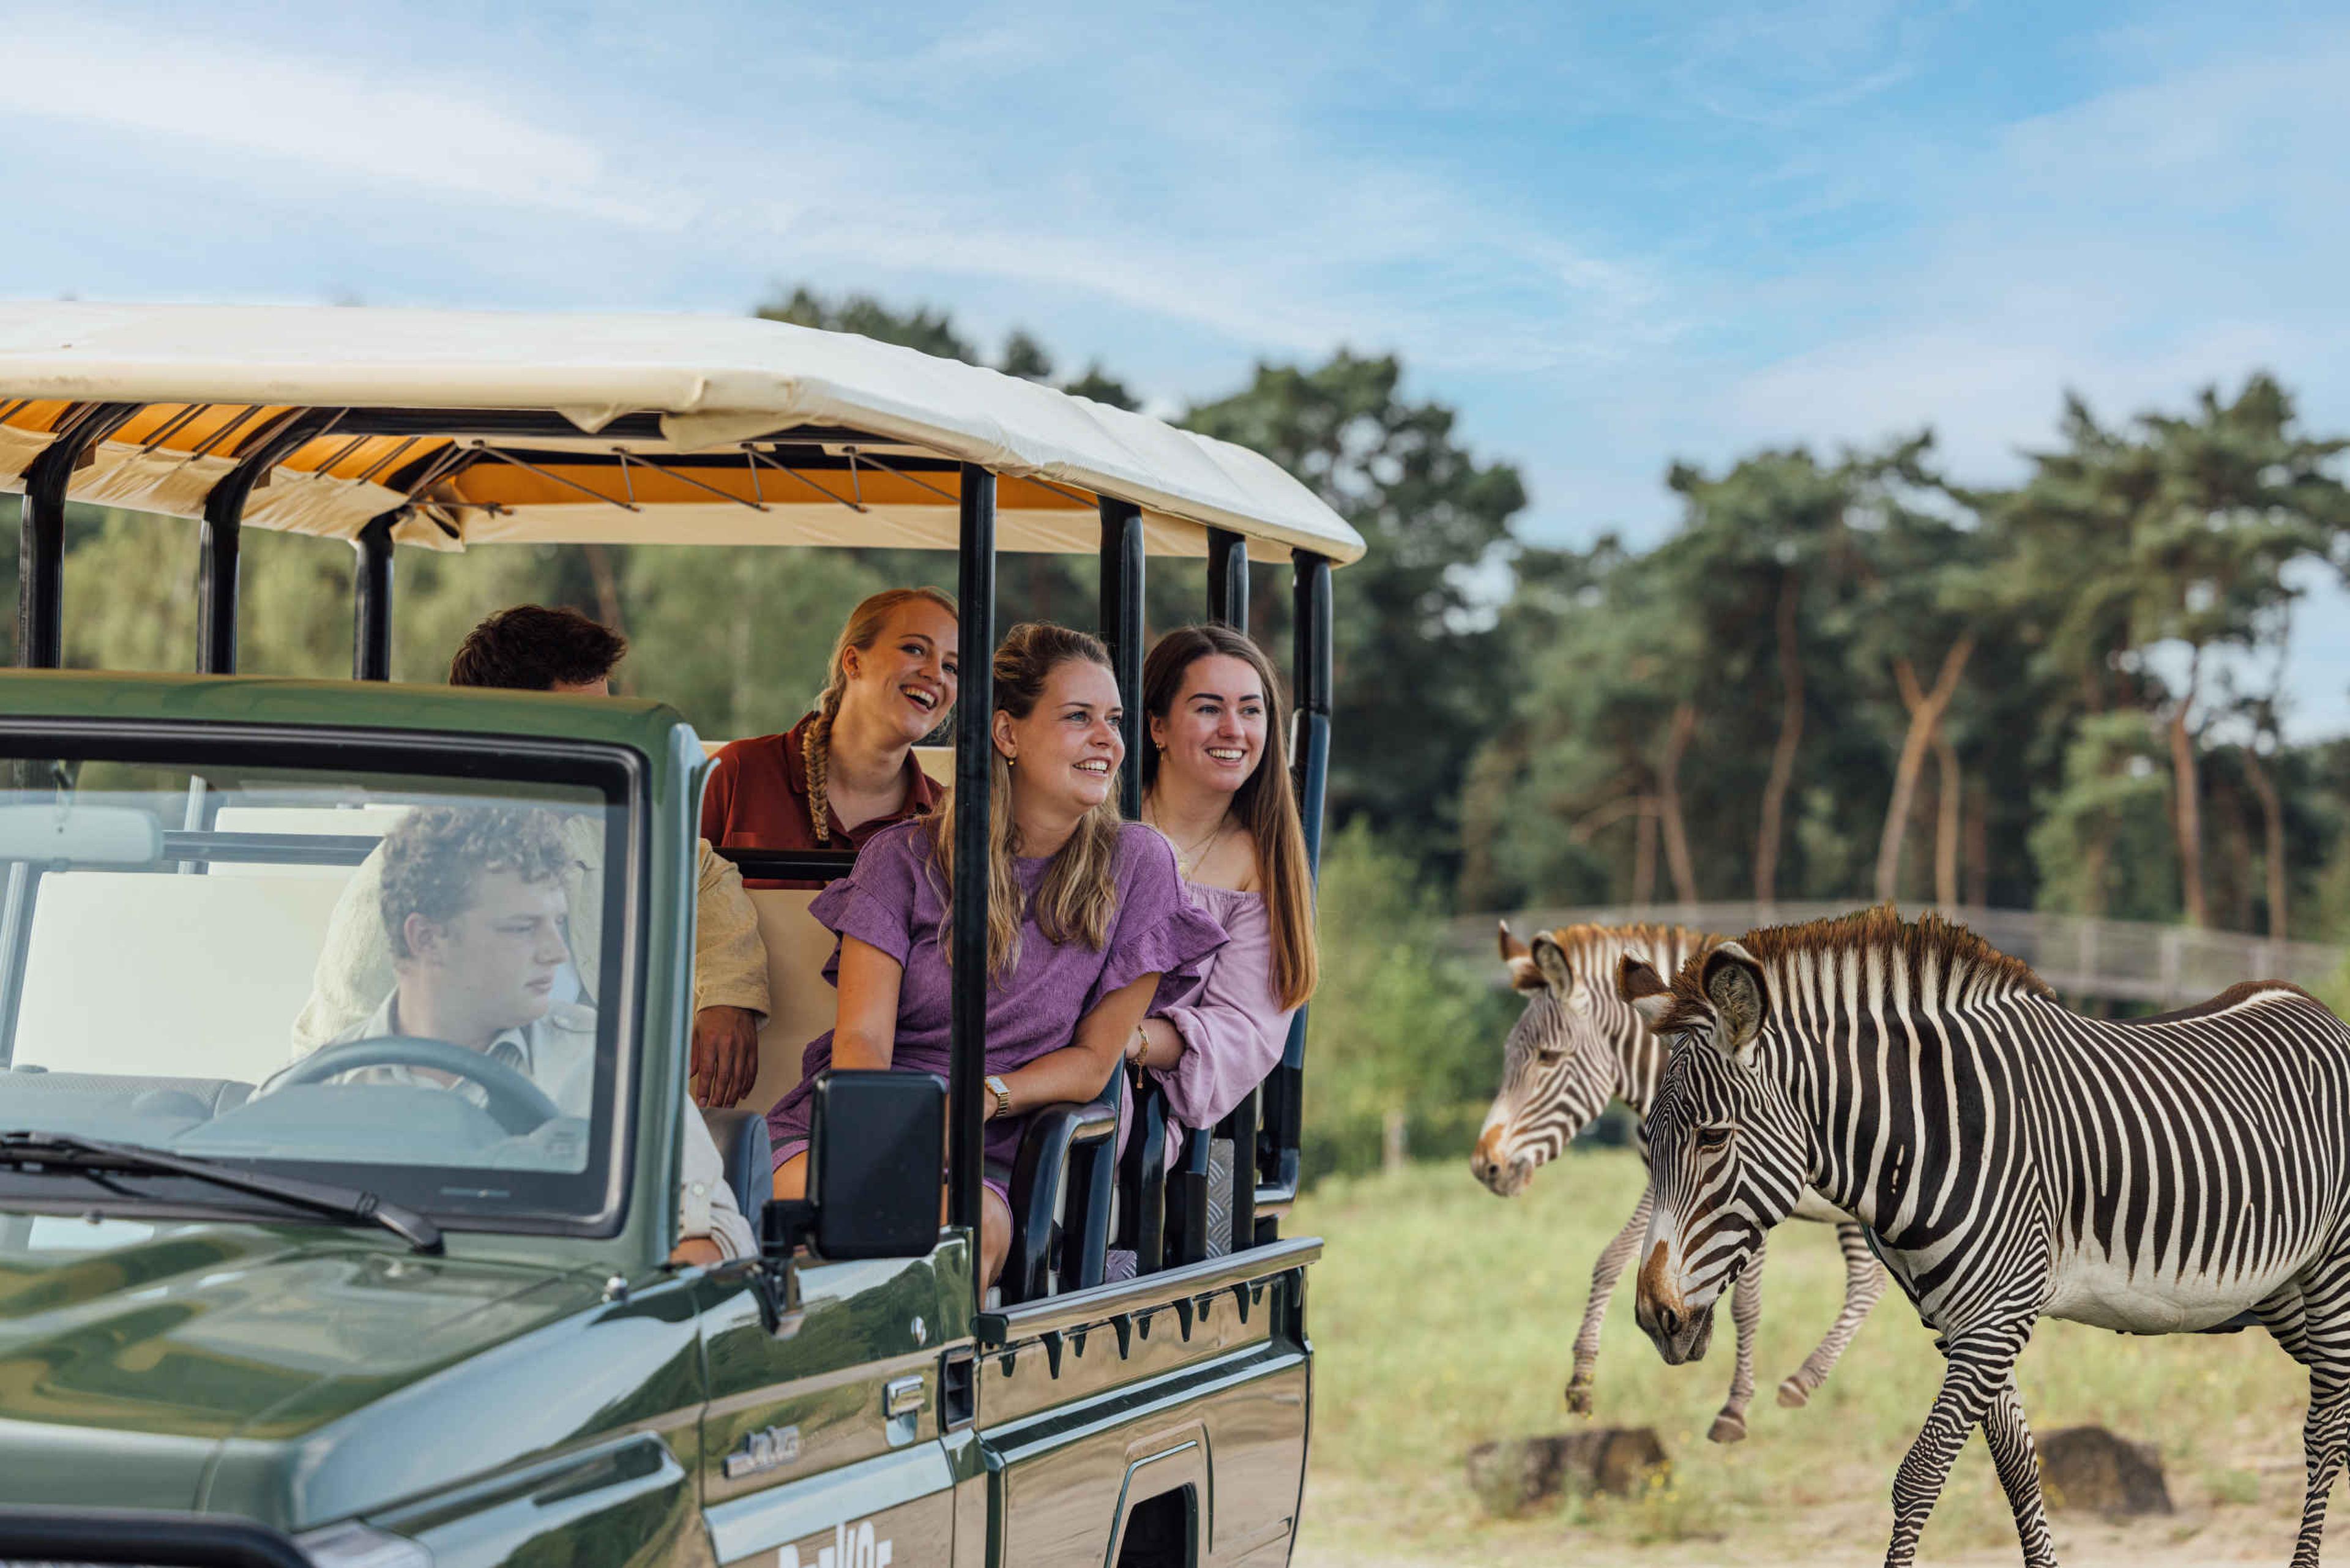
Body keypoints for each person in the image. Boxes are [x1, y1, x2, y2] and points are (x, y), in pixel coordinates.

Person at [766, 622, 1225, 1290]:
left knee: (947, 1242)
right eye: (1079, 717)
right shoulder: (901, 858)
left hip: (1005, 1149)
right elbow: (862, 1038)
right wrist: (887, 1145)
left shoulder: (1138, 864)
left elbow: (1094, 1062)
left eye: (1115, 720)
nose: (1108, 740)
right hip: (870, 1124)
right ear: (1007, 734)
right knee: (809, 1227)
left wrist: (985, 1099)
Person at [292, 606, 774, 1109]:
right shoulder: (405, 882)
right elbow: (330, 1066)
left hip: (598, 1124)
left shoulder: (597, 824)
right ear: (506, 733)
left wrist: (729, 994)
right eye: (583, 728)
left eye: (610, 724)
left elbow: (701, 873)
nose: (608, 747)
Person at [268, 805, 755, 1265]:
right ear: (426, 938)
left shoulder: (614, 1069)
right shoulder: (317, 1089)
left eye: (557, 924)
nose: (555, 952)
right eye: (522, 928)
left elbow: (714, 1241)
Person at [1124, 625, 1320, 1255]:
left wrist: (1122, 1040)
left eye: (1251, 711)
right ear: (1157, 727)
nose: (1234, 729)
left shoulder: (1261, 864)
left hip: (1135, 1106)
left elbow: (1242, 1031)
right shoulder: (1099, 819)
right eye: (1209, 708)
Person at [701, 588, 957, 889]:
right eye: (914, 649)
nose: (936, 675)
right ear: (853, 662)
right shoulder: (737, 771)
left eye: (951, 667)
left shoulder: (948, 822)